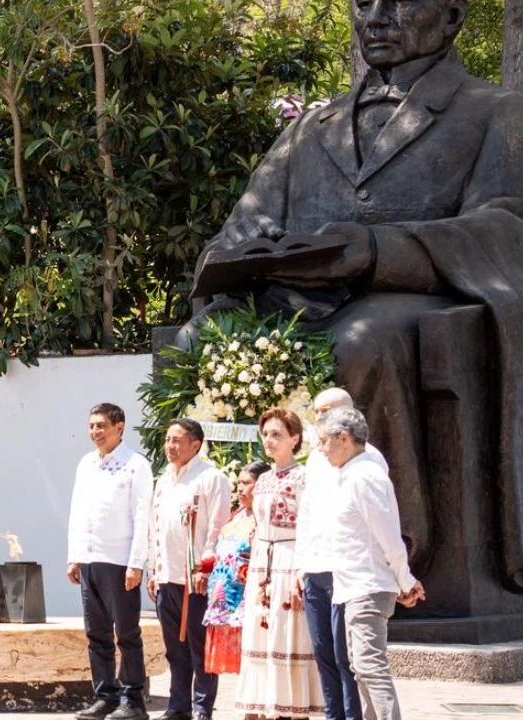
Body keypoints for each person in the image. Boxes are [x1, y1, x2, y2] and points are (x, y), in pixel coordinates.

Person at [186, 0, 523, 588]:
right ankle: (230, 546)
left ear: (451, 16)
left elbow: (505, 227)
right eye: (364, 4)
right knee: (198, 337)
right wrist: (245, 252)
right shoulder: (309, 128)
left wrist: (376, 251)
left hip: (416, 297)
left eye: (399, 2)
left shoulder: (496, 111)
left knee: (361, 342)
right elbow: (238, 228)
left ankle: (385, 554)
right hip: (294, 297)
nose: (378, 17)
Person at [320, 407, 425, 720]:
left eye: (325, 441)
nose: (322, 449)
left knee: (371, 668)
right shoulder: (349, 475)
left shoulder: (365, 476)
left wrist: (404, 580)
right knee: (361, 668)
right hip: (354, 586)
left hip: (368, 585)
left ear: (344, 438)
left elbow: (389, 536)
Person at [295, 389, 383, 720]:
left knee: (347, 655)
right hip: (315, 566)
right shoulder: (317, 458)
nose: (319, 417)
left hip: (347, 569)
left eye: (326, 410)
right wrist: (300, 565)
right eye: (316, 411)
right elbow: (307, 512)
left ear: (348, 412)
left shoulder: (369, 459)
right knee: (323, 652)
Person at [66, 403, 153, 720]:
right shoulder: (86, 463)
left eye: (101, 425)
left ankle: (133, 700)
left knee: (126, 634)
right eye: (91, 426)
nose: (95, 432)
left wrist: (136, 563)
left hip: (119, 561)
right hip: (90, 559)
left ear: (120, 427)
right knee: (97, 634)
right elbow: (78, 512)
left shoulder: (135, 465)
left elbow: (142, 516)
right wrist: (74, 556)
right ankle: (105, 697)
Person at [234, 410, 322, 718]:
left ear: (294, 438)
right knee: (261, 634)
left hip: (290, 558)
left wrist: (303, 569)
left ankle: (290, 708)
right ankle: (262, 706)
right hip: (263, 564)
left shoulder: (304, 477)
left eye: (277, 435)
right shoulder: (263, 480)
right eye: (266, 434)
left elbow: (311, 526)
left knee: (287, 633)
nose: (269, 440)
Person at [146, 419, 230, 720]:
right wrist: (153, 569)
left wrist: (205, 567)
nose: (170, 446)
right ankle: (178, 705)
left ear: (195, 445)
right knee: (174, 647)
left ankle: (202, 707)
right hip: (167, 575)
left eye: (177, 440)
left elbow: (218, 527)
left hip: (196, 578)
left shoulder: (211, 478)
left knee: (199, 645)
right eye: (168, 439)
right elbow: (155, 527)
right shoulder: (163, 480)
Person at [201, 462, 264, 681]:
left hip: (248, 597)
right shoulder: (236, 516)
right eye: (238, 483)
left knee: (253, 660)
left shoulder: (264, 519)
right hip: (224, 597)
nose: (240, 489)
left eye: (246, 483)